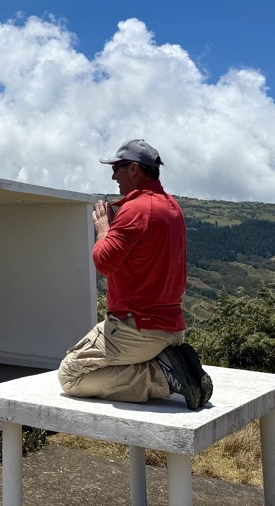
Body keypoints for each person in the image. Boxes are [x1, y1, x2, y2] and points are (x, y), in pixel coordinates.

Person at [57, 139, 213, 409]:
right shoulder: (172, 207)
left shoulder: (136, 210)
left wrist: (103, 229)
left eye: (117, 167)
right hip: (169, 326)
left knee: (70, 376)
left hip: (138, 329)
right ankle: (163, 362)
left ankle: (162, 376)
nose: (113, 175)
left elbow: (104, 262)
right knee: (80, 357)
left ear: (134, 169)